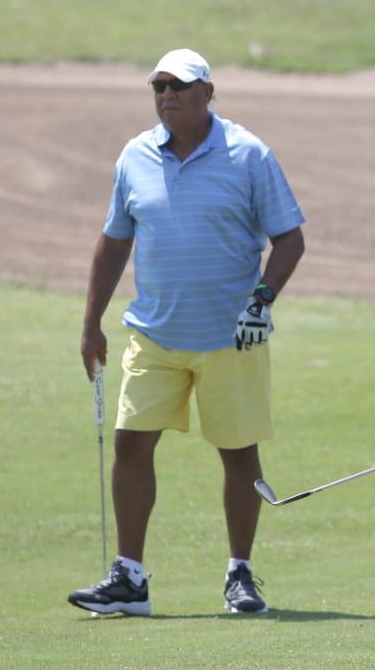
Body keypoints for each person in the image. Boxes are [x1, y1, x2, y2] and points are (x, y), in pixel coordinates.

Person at [69, 48, 305, 617]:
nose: (167, 95)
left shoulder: (248, 154)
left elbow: (290, 239)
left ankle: (240, 573)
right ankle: (129, 578)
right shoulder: (135, 156)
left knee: (239, 455)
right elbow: (114, 242)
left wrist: (262, 299)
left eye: (178, 85)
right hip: (154, 334)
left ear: (208, 92)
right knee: (130, 444)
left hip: (230, 337)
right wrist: (91, 323)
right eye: (159, 87)